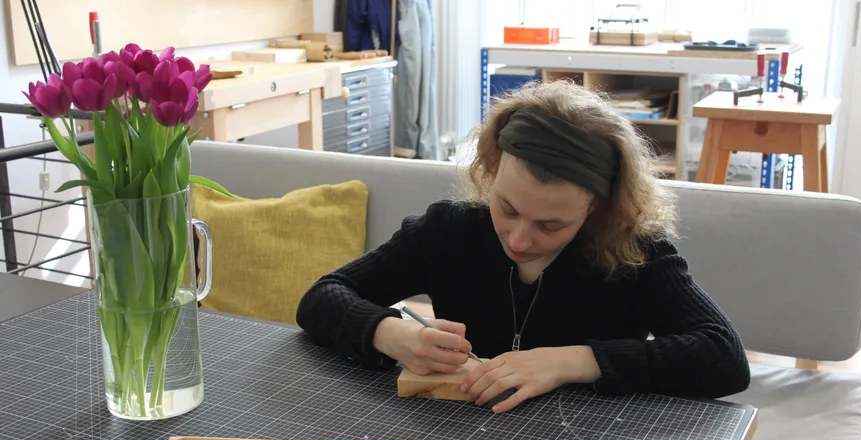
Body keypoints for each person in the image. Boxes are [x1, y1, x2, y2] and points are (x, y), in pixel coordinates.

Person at [297, 80, 750, 413]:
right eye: (507, 208)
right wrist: (392, 334)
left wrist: (571, 362)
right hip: (457, 434)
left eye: (551, 225)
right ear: (491, 171)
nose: (519, 240)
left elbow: (724, 358)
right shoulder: (447, 231)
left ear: (598, 208)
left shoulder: (635, 254)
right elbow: (321, 297)